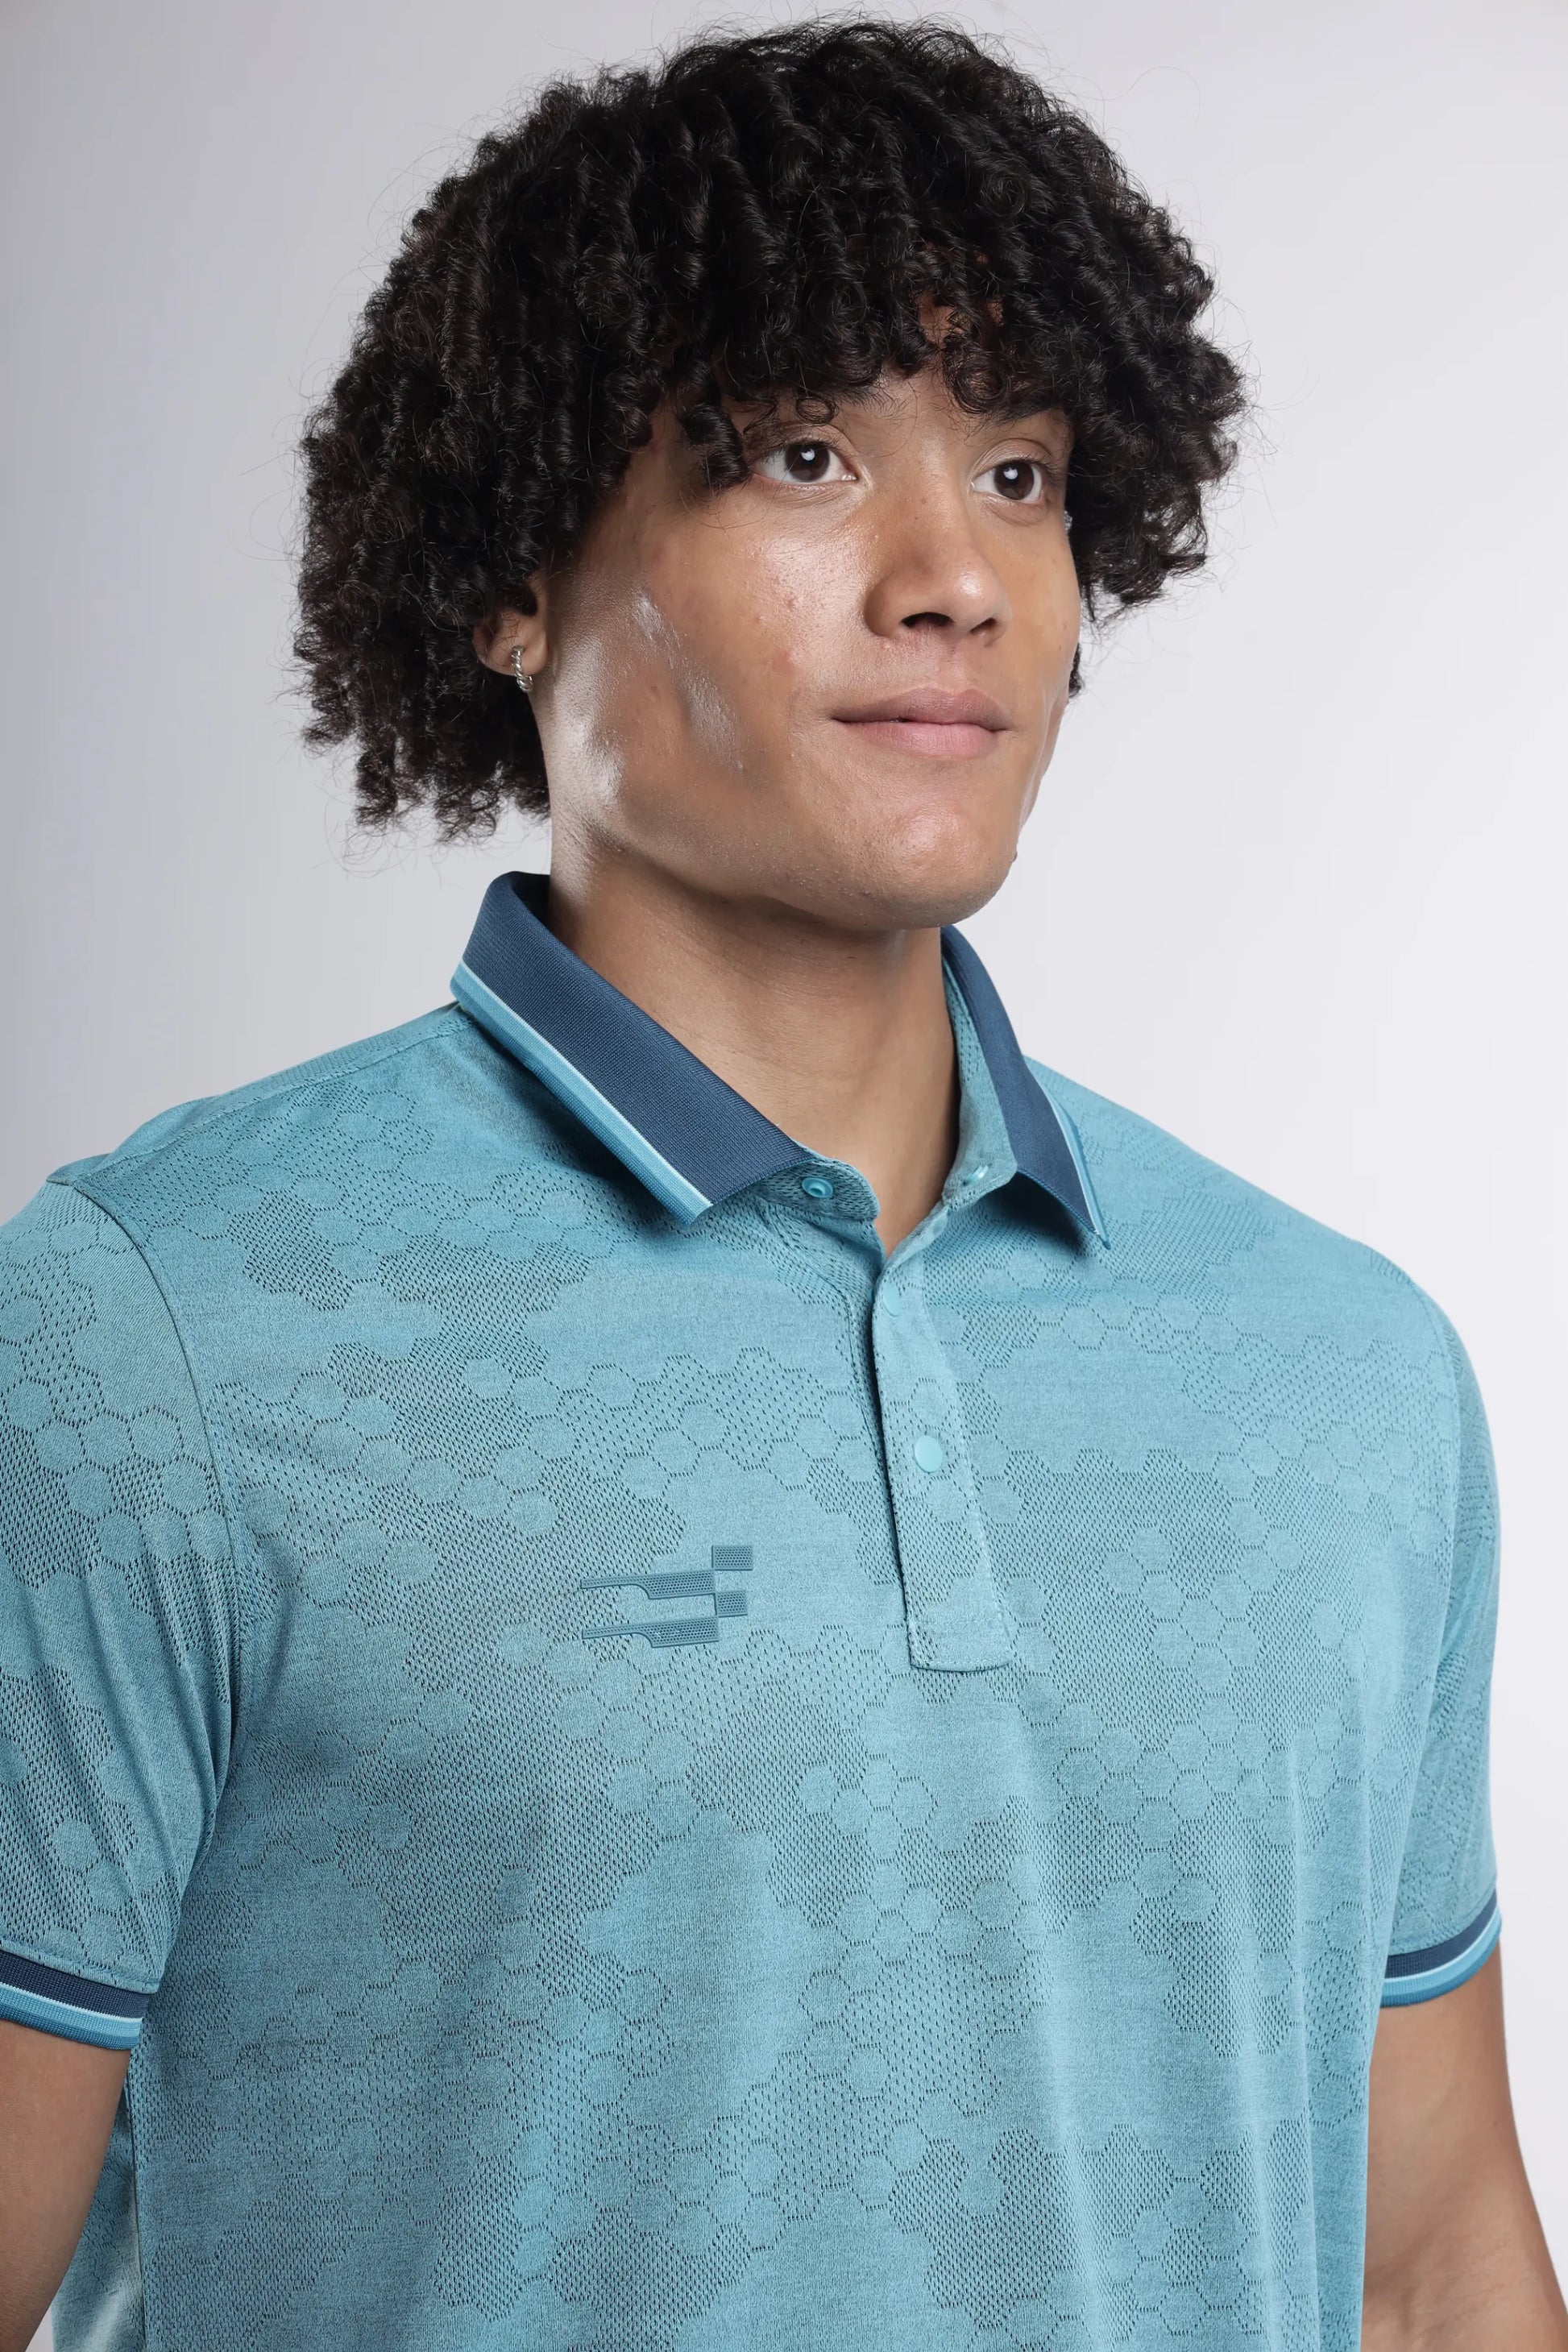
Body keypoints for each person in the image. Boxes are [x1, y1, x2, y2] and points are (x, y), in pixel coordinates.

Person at [0, 19, 1562, 2350]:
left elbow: (1430, 2274)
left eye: (1019, 474)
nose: (953, 578)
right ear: (510, 575)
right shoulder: (156, 1333)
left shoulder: (1342, 1372)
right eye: (805, 456)